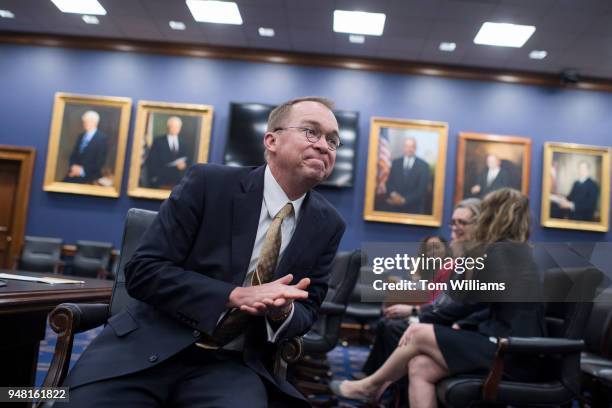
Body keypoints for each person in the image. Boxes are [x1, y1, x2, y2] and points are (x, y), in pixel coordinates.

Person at [63, 97, 346, 407]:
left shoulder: (327, 224)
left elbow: (308, 309)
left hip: (233, 363)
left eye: (333, 140)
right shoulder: (209, 184)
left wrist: (282, 313)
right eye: (311, 132)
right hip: (148, 346)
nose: (324, 146)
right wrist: (233, 295)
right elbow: (144, 271)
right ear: (271, 140)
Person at [332, 189, 545, 407]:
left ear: (492, 216)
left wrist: (419, 317)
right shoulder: (516, 252)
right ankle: (371, 385)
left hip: (511, 353)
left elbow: (462, 304)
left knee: (417, 332)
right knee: (419, 366)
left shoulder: (499, 253)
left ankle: (370, 385)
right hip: (510, 348)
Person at [361, 198, 481, 376]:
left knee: (393, 327)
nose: (455, 227)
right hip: (440, 315)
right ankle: (380, 384)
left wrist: (415, 311)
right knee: (388, 323)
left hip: (457, 325)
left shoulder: (472, 260)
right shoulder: (456, 260)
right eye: (453, 222)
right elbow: (440, 299)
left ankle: (380, 385)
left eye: (462, 222)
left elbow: (452, 303)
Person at [383, 137, 431, 214]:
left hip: (414, 210)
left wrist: (403, 201)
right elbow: (389, 184)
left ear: (415, 148)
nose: (409, 149)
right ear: (404, 148)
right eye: (407, 146)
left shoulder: (424, 166)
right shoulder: (395, 163)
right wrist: (394, 195)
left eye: (412, 146)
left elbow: (421, 190)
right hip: (394, 209)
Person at [63, 110, 108, 184]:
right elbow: (73, 156)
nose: (84, 124)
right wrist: (73, 167)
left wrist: (81, 171)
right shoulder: (81, 136)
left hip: (90, 177)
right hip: (74, 174)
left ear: (95, 122)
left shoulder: (102, 138)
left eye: (87, 121)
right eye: (84, 121)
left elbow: (100, 162)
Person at [145, 116, 190, 189]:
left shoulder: (183, 142)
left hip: (178, 182)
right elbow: (151, 161)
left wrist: (184, 165)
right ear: (168, 126)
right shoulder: (158, 141)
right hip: (161, 180)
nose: (175, 129)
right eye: (173, 126)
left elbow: (187, 160)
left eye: (177, 126)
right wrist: (155, 178)